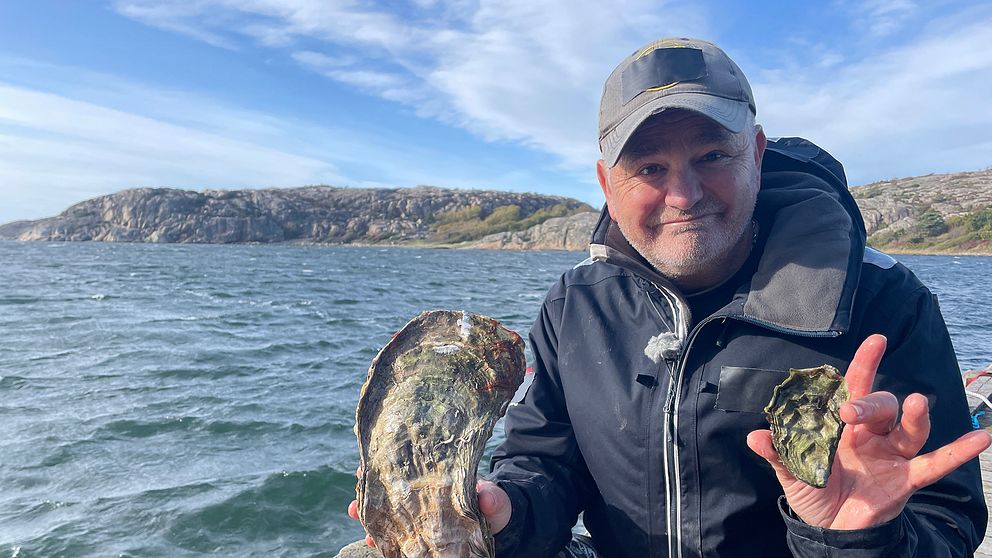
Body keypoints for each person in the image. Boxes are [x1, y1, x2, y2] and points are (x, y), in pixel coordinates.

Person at [351, 37, 991, 557]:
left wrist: (857, 536)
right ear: (606, 182)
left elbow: (948, 515)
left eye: (712, 154)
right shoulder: (576, 304)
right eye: (650, 168)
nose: (683, 195)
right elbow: (546, 462)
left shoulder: (882, 300)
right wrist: (506, 509)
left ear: (758, 155)